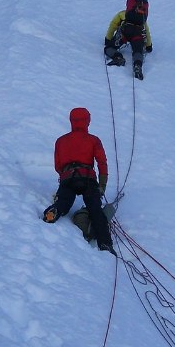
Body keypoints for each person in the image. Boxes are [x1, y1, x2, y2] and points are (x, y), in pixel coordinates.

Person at [42, 107, 116, 255]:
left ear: (71, 121)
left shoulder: (61, 141)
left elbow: (58, 166)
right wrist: (102, 185)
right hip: (87, 178)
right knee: (95, 210)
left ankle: (55, 210)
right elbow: (102, 163)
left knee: (64, 200)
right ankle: (105, 244)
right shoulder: (94, 140)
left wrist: (66, 175)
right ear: (87, 121)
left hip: (68, 177)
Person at [103, 0, 153, 80]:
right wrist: (149, 46)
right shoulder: (142, 19)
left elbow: (113, 25)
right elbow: (147, 31)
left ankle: (118, 57)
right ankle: (137, 65)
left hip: (124, 34)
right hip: (138, 35)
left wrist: (108, 38)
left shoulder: (122, 14)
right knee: (138, 51)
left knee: (108, 48)